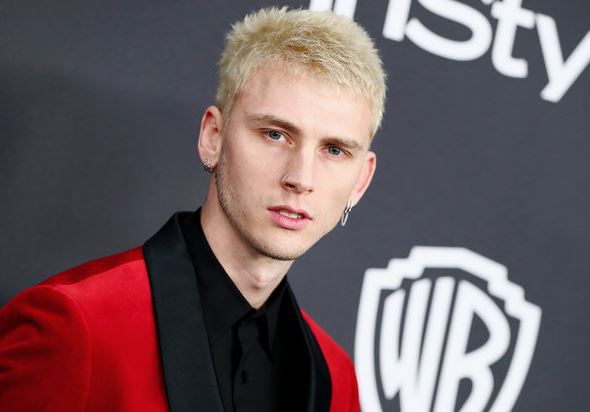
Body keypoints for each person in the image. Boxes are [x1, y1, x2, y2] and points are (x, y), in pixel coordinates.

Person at [0, 7, 386, 412]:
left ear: (360, 180)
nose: (300, 178)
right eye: (275, 134)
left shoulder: (337, 379)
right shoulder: (75, 324)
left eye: (334, 150)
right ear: (213, 138)